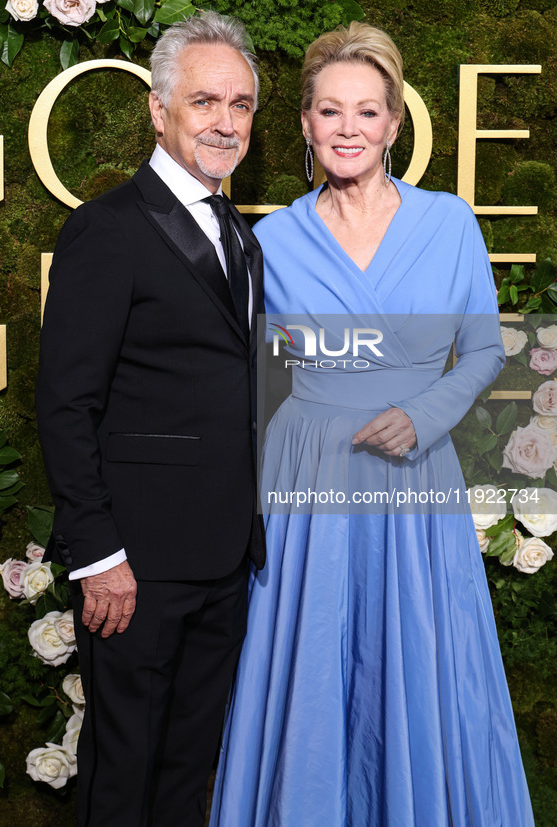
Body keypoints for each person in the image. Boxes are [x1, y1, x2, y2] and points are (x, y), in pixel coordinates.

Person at [210, 22, 534, 827]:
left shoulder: (449, 223)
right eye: (328, 111)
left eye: (365, 112)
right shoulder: (270, 238)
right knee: (311, 661)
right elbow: (246, 376)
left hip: (411, 472)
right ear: (305, 126)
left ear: (394, 123)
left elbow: (486, 348)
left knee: (415, 665)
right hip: (305, 480)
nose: (346, 129)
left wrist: (423, 415)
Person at [35, 11, 265, 827]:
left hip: (225, 555)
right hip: (134, 567)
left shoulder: (241, 235)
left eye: (240, 105)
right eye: (205, 101)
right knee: (123, 769)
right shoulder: (107, 229)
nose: (224, 122)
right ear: (158, 109)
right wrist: (99, 553)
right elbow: (66, 402)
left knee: (187, 768)